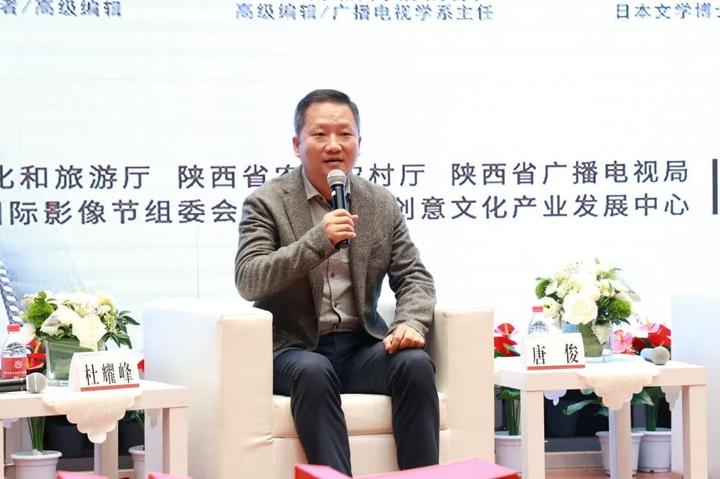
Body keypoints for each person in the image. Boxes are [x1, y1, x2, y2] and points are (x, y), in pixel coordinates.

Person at [234, 89, 438, 476]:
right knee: (313, 371)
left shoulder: (379, 203)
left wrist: (410, 322)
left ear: (359, 142)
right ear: (297, 144)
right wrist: (318, 241)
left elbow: (414, 276)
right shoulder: (267, 202)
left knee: (414, 364)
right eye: (319, 134)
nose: (333, 145)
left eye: (345, 134)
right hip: (293, 349)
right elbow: (249, 278)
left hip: (359, 347)